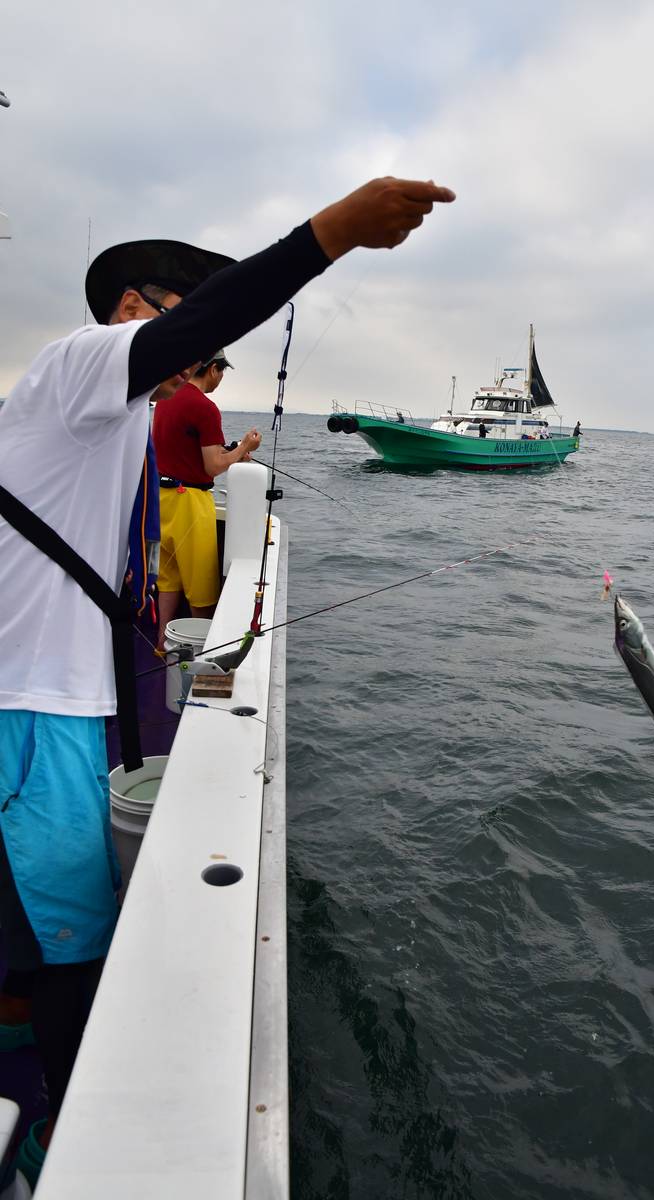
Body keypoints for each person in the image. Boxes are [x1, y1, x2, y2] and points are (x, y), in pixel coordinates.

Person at [0, 175, 455, 1179]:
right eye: (191, 341)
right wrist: (329, 236)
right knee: (70, 944)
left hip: (54, 701)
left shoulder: (100, 417)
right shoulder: (84, 362)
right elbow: (194, 328)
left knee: (31, 920)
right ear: (133, 311)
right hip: (35, 716)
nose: (201, 363)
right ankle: (70, 1137)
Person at [152, 349, 258, 651]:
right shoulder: (205, 407)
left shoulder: (165, 399)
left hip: (161, 498)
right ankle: (205, 653)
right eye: (221, 372)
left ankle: (161, 643)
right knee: (201, 590)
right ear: (212, 369)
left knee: (168, 579)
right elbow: (213, 466)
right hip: (191, 503)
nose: (221, 379)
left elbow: (187, 450)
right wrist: (244, 448)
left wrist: (231, 451)